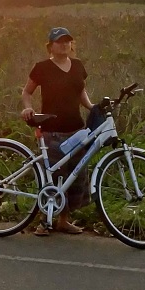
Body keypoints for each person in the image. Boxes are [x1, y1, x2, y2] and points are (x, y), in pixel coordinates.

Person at [20, 26, 94, 235]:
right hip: (52, 131)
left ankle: (63, 220)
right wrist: (28, 107)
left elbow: (81, 91)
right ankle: (44, 221)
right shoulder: (42, 68)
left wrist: (91, 107)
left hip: (77, 130)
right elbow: (27, 91)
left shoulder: (78, 66)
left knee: (74, 176)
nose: (64, 44)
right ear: (50, 46)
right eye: (59, 41)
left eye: (67, 41)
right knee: (52, 177)